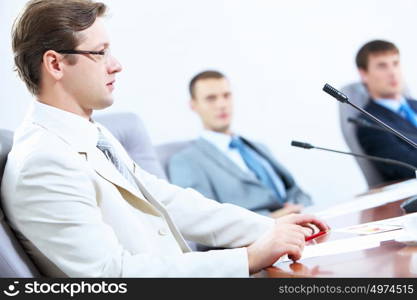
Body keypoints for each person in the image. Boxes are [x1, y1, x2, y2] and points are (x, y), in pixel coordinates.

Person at [1, 0, 328, 277]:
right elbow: (111, 275)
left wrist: (267, 229)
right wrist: (247, 258)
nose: (116, 65)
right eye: (100, 53)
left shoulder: (92, 133)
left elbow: (166, 199)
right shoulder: (43, 161)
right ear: (55, 64)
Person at [169, 71, 312, 219]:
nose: (222, 104)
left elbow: (296, 192)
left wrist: (300, 208)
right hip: (262, 237)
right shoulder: (186, 161)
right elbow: (200, 221)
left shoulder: (259, 148)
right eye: (211, 98)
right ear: (193, 105)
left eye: (226, 95)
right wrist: (271, 219)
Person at [355, 40, 417, 182]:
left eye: (395, 64)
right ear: (363, 74)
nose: (392, 72)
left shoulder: (415, 105)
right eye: (382, 66)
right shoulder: (368, 122)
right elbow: (408, 167)